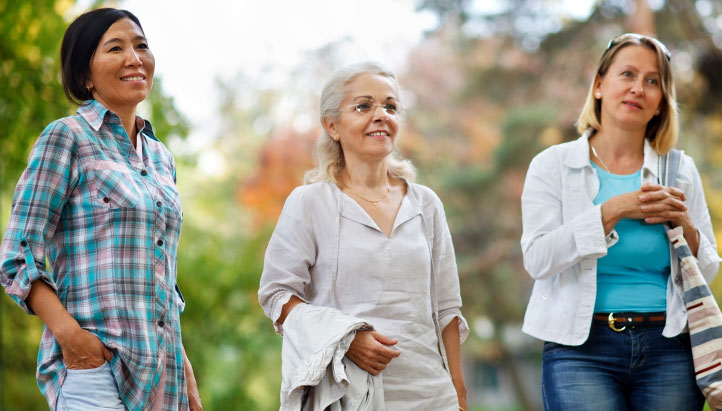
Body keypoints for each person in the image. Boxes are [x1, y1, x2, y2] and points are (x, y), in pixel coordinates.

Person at [0, 8, 202, 411]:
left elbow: (165, 282)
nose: (135, 57)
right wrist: (71, 338)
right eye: (116, 48)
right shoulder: (67, 138)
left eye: (141, 45)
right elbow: (17, 256)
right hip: (97, 372)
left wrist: (186, 374)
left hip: (165, 376)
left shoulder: (161, 158)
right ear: (86, 75)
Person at [521, 33, 720, 410]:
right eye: (627, 74)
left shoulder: (679, 170)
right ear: (599, 85)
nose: (637, 89)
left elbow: (706, 269)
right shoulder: (553, 165)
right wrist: (612, 210)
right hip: (580, 351)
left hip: (669, 347)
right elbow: (537, 259)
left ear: (661, 102)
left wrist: (685, 226)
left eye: (652, 81)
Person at [258, 62, 468, 410]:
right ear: (332, 126)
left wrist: (458, 395)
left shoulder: (425, 204)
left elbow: (447, 308)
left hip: (429, 394)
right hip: (348, 394)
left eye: (390, 106)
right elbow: (277, 295)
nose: (381, 115)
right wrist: (345, 340)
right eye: (363, 106)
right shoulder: (310, 203)